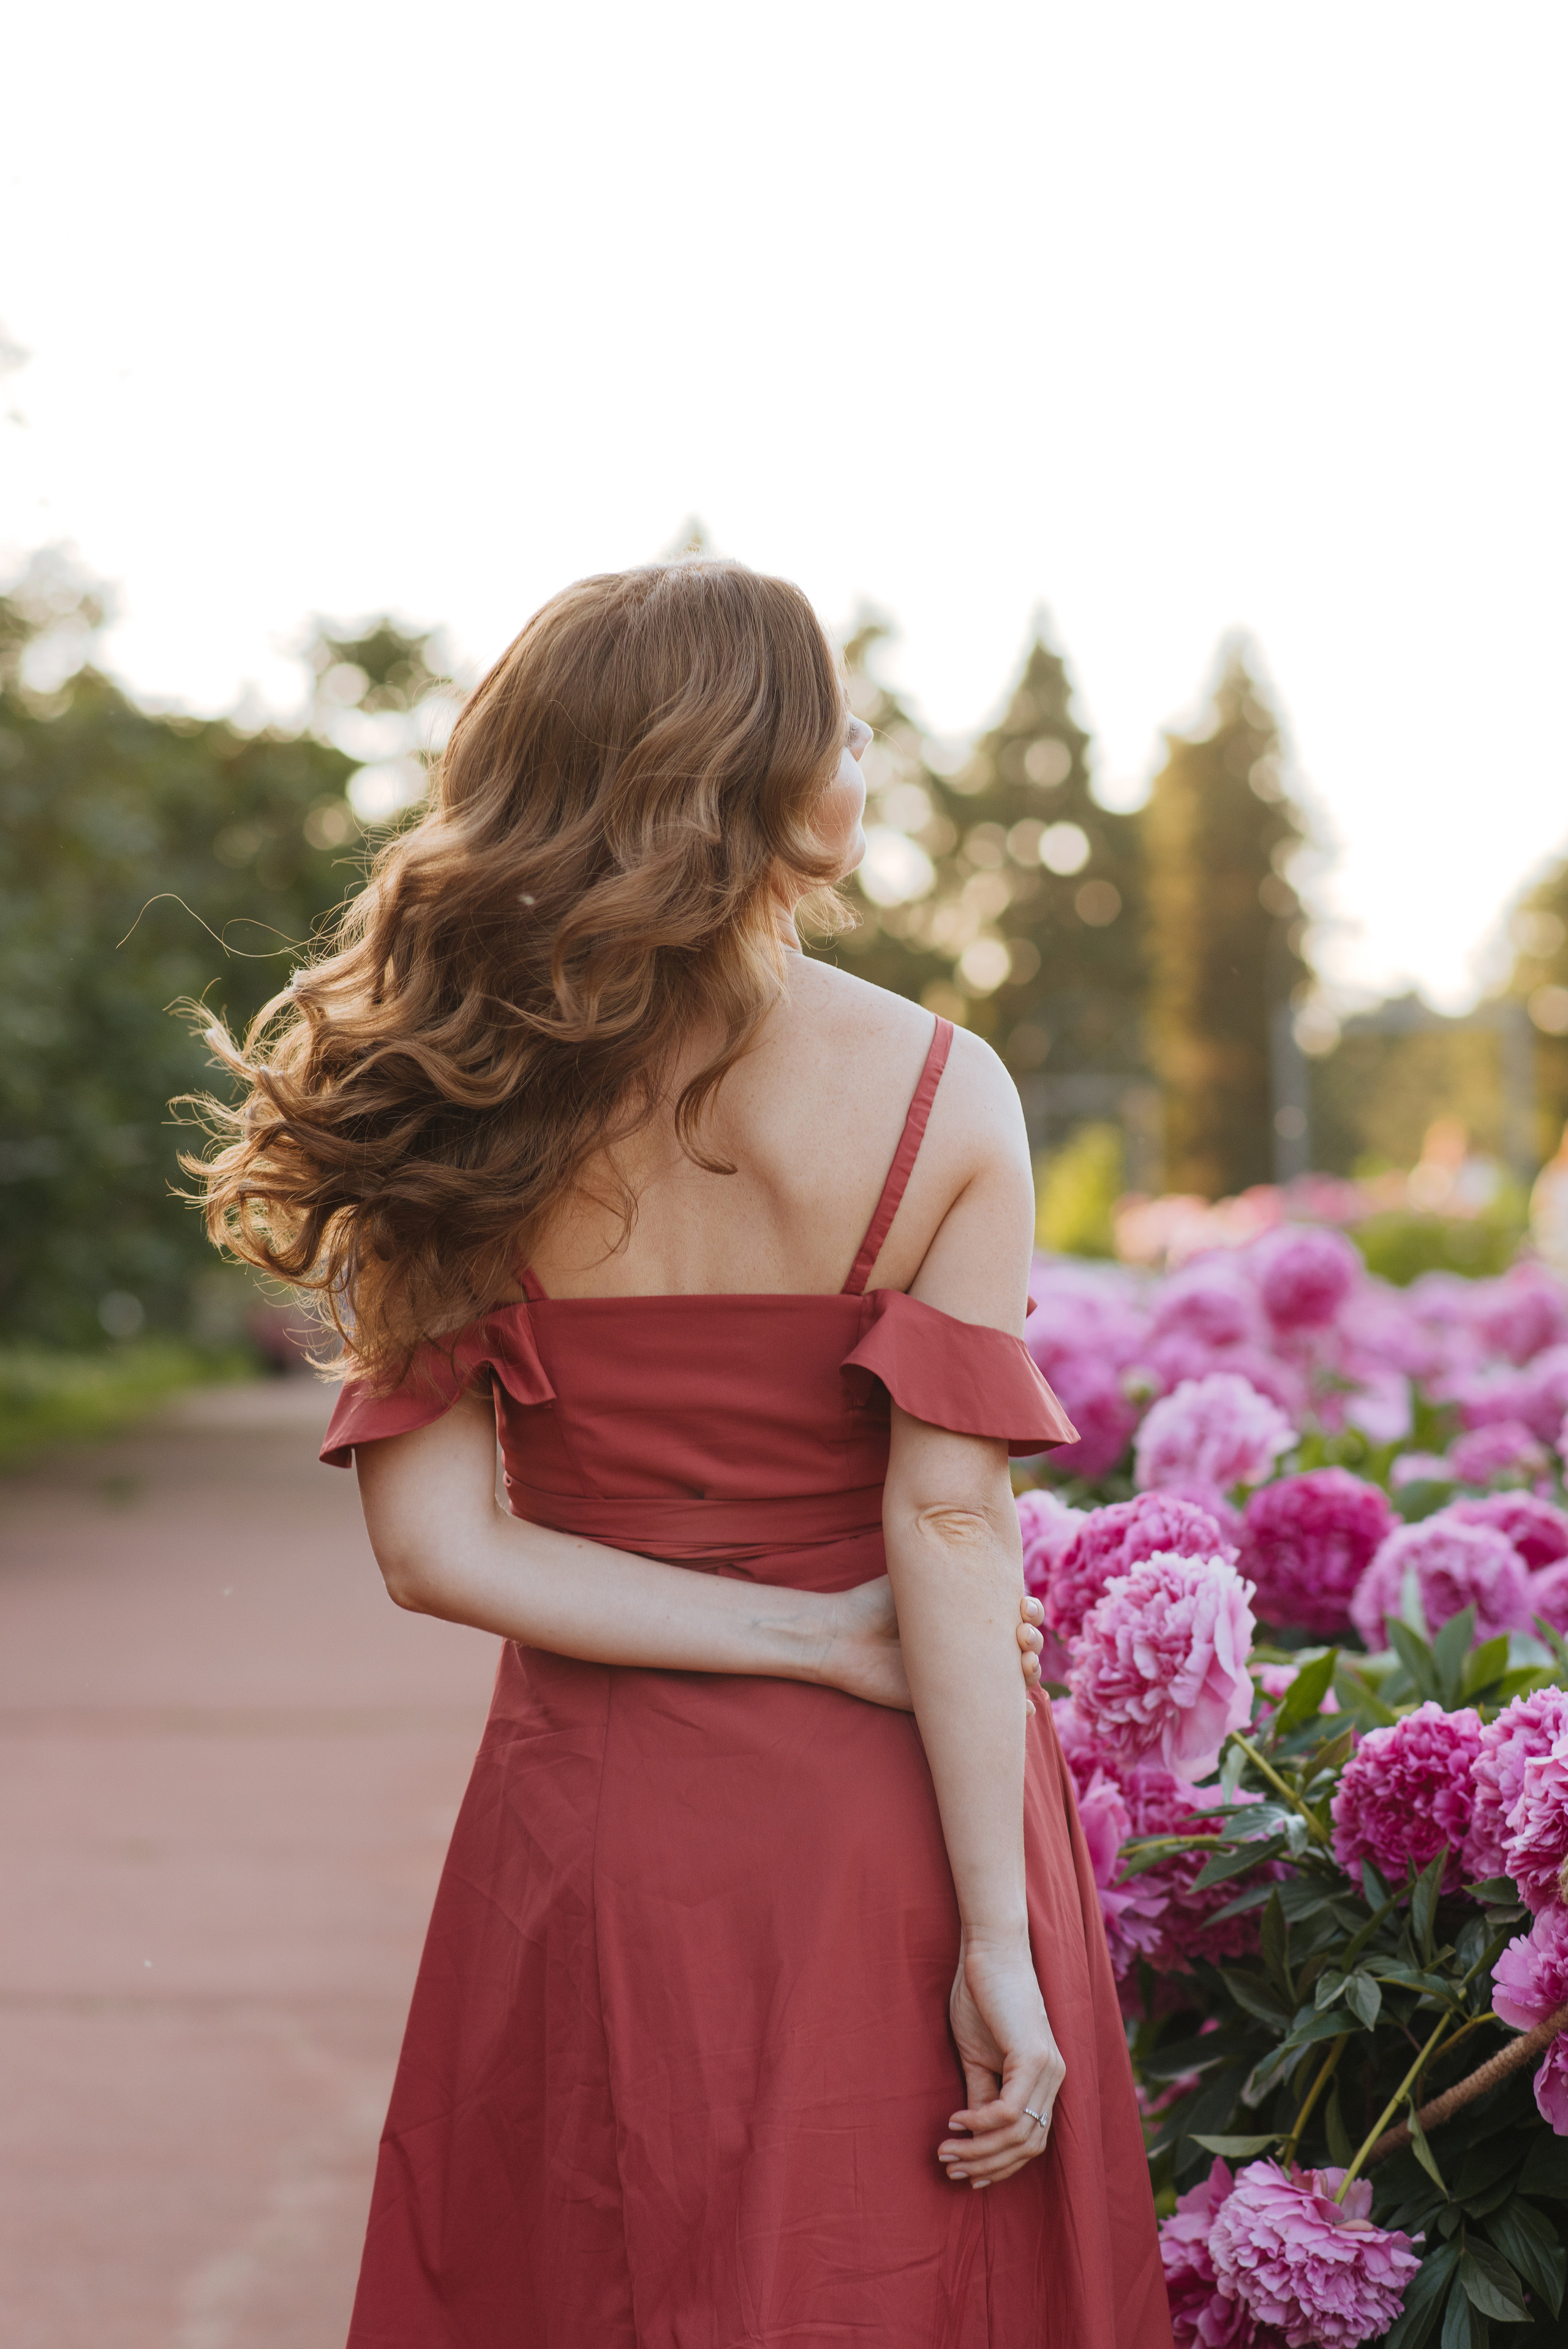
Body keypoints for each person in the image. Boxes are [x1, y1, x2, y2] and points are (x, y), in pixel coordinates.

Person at [189, 559, 1170, 2347]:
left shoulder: (457, 1094)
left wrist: (801, 1633)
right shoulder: (950, 1093)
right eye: (846, 727)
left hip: (595, 1812)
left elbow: (437, 1552)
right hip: (890, 1814)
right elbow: (947, 1518)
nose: (866, 757)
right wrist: (1000, 1946)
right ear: (761, 786)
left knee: (591, 2267)